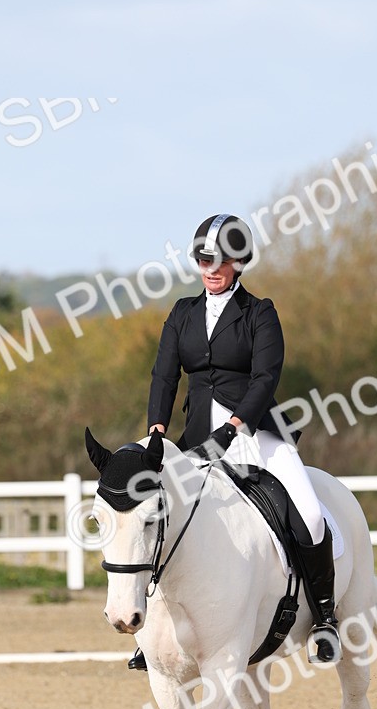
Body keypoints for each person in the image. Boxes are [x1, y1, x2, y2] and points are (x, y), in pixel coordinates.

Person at [128, 212, 341, 670]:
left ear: (240, 262)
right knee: (158, 519)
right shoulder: (182, 313)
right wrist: (156, 430)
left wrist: (236, 425)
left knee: (308, 513)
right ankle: (153, 635)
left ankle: (324, 615)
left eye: (222, 260)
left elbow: (266, 377)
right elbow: (165, 375)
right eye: (204, 259)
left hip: (256, 431)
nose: (212, 268)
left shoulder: (259, 312)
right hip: (198, 438)